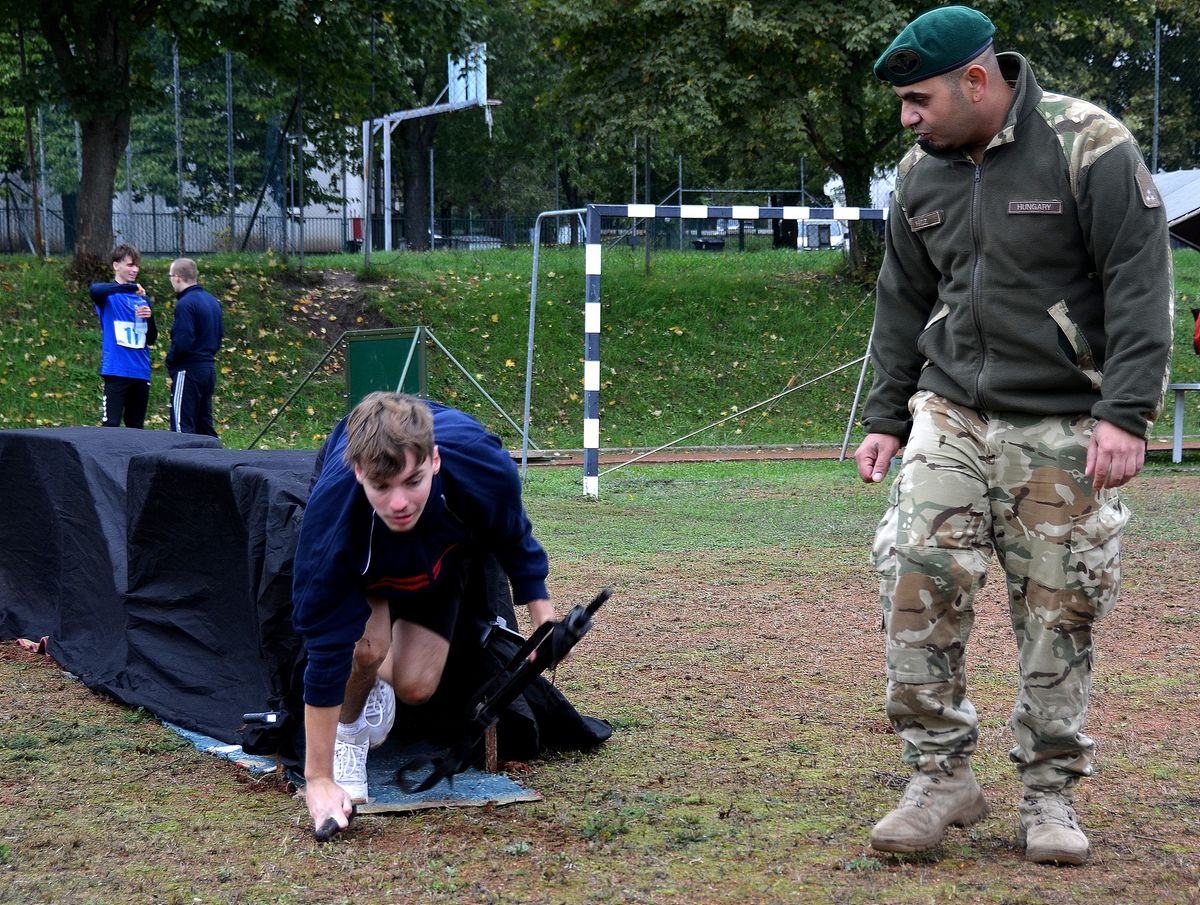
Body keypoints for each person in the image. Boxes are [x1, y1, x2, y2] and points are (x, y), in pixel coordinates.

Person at [855, 6, 1173, 866]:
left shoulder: (1088, 145)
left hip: (1066, 418)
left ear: (976, 81)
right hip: (952, 409)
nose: (907, 116)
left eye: (918, 98)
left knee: (1059, 602)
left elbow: (1140, 281)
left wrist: (1127, 412)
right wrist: (886, 416)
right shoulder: (918, 174)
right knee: (912, 565)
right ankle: (939, 774)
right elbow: (901, 303)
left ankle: (1049, 793)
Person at [291, 392, 557, 835]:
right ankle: (352, 732)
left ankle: (383, 673)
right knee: (365, 650)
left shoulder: (480, 463)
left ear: (434, 460)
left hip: (436, 554)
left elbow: (513, 533)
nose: (399, 502)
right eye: (382, 487)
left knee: (416, 686)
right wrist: (318, 777)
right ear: (359, 473)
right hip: (368, 559)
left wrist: (543, 618)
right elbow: (324, 651)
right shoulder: (333, 521)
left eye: (412, 481)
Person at [89, 243, 158, 428]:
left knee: (136, 428)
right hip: (116, 370)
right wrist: (129, 287)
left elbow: (150, 338)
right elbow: (95, 290)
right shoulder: (109, 296)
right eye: (129, 265)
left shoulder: (141, 299)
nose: (135, 269)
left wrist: (149, 318)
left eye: (137, 266)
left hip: (140, 371)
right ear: (115, 265)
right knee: (110, 426)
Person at [166, 258, 224, 436]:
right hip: (208, 369)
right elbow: (219, 335)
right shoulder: (213, 302)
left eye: (170, 276)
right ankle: (214, 461)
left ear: (177, 277)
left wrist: (171, 359)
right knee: (204, 424)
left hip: (188, 369)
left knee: (181, 427)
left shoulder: (185, 304)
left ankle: (182, 463)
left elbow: (183, 340)